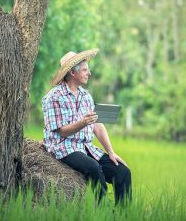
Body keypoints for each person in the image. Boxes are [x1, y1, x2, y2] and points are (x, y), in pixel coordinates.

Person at [42, 49, 132, 205]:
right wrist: (83, 122)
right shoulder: (54, 97)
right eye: (85, 70)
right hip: (63, 147)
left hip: (85, 147)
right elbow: (62, 132)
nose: (89, 73)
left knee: (122, 171)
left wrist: (111, 152)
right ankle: (104, 212)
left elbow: (98, 125)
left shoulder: (86, 96)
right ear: (72, 72)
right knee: (93, 167)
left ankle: (124, 215)